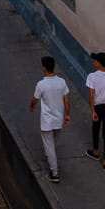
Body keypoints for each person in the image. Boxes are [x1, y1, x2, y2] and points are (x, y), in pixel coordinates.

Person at [29, 55, 71, 183]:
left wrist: (31, 106)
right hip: (58, 119)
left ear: (44, 68)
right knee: (53, 143)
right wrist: (67, 114)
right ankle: (50, 158)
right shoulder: (62, 82)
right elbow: (66, 100)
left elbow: (34, 99)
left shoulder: (41, 84)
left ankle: (54, 173)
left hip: (47, 121)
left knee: (49, 146)